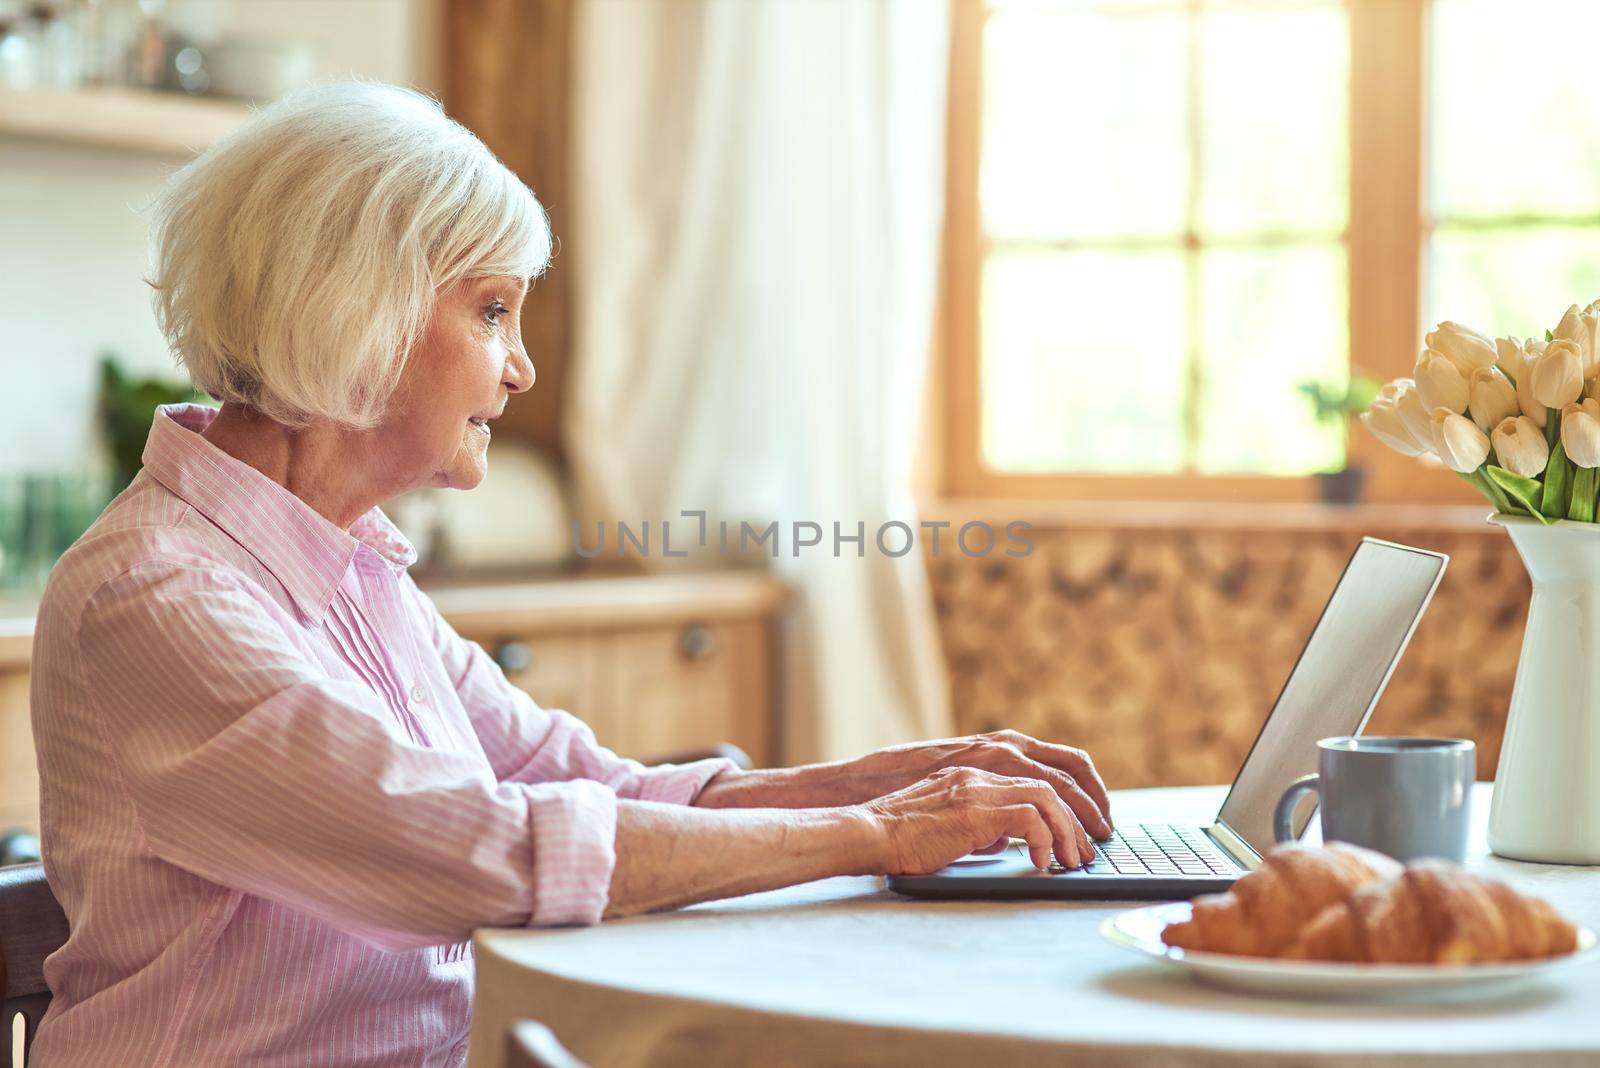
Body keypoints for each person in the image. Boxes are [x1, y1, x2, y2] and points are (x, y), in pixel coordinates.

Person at [27, 82, 1112, 1067]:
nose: (520, 364)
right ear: (355, 309)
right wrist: (877, 835)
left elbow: (579, 783)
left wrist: (880, 782)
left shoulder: (349, 567)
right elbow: (478, 852)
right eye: (491, 310)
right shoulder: (159, 595)